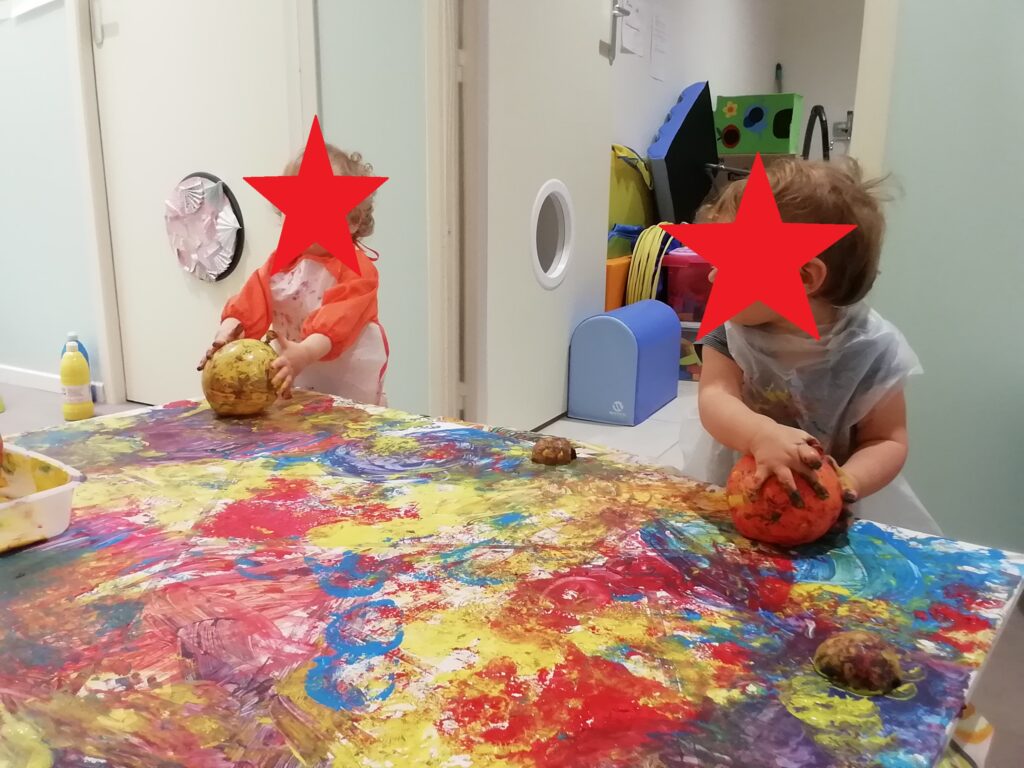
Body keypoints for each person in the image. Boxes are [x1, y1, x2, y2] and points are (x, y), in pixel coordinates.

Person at [680, 157, 940, 536]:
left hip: (823, 516)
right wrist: (759, 434)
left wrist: (848, 481)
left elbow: (887, 439)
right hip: (737, 498)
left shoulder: (873, 349)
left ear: (804, 276)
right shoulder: (731, 328)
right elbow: (715, 396)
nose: (713, 275)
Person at [198, 146, 388, 406]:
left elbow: (337, 321)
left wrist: (305, 353)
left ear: (353, 221)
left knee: (343, 426)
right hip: (293, 372)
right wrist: (226, 336)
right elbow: (248, 305)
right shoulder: (279, 264)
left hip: (346, 381)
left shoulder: (357, 270)